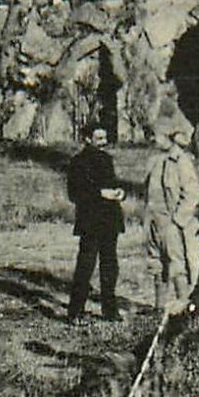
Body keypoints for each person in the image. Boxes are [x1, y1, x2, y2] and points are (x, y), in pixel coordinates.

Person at [65, 124, 125, 323]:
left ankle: (110, 311)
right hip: (90, 222)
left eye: (105, 137)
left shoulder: (107, 159)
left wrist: (119, 192)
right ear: (87, 139)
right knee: (85, 266)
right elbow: (74, 194)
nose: (103, 142)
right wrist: (100, 194)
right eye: (98, 138)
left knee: (110, 267)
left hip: (110, 221)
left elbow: (113, 183)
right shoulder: (78, 162)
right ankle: (75, 312)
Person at [144, 121, 199, 306]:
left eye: (157, 136)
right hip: (153, 220)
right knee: (156, 264)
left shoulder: (181, 161)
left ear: (168, 137)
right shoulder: (154, 160)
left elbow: (192, 195)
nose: (153, 139)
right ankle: (159, 307)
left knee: (177, 265)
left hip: (171, 223)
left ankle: (183, 304)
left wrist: (177, 221)